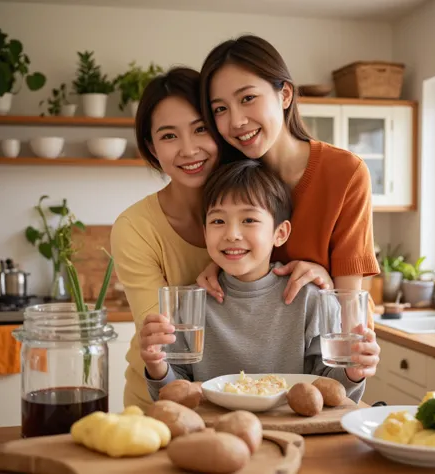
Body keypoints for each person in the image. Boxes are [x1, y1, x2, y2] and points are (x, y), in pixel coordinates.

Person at [142, 160, 380, 403]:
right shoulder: (192, 303)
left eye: (249, 220)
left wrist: (354, 370)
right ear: (205, 233)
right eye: (218, 221)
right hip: (215, 433)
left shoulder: (310, 298)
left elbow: (334, 391)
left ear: (280, 233)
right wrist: (156, 366)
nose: (232, 234)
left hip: (295, 430)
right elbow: (173, 393)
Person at [197, 35, 380, 326]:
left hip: (329, 346)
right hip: (259, 349)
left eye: (247, 98)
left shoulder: (345, 172)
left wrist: (325, 283)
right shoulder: (227, 178)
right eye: (220, 108)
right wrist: (218, 265)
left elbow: (350, 301)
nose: (236, 121)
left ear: (284, 95)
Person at [110, 67, 220, 411]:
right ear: (151, 147)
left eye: (200, 129)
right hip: (158, 400)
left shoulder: (260, 208)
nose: (189, 150)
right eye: (169, 136)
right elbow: (164, 339)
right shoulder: (135, 227)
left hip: (239, 393)